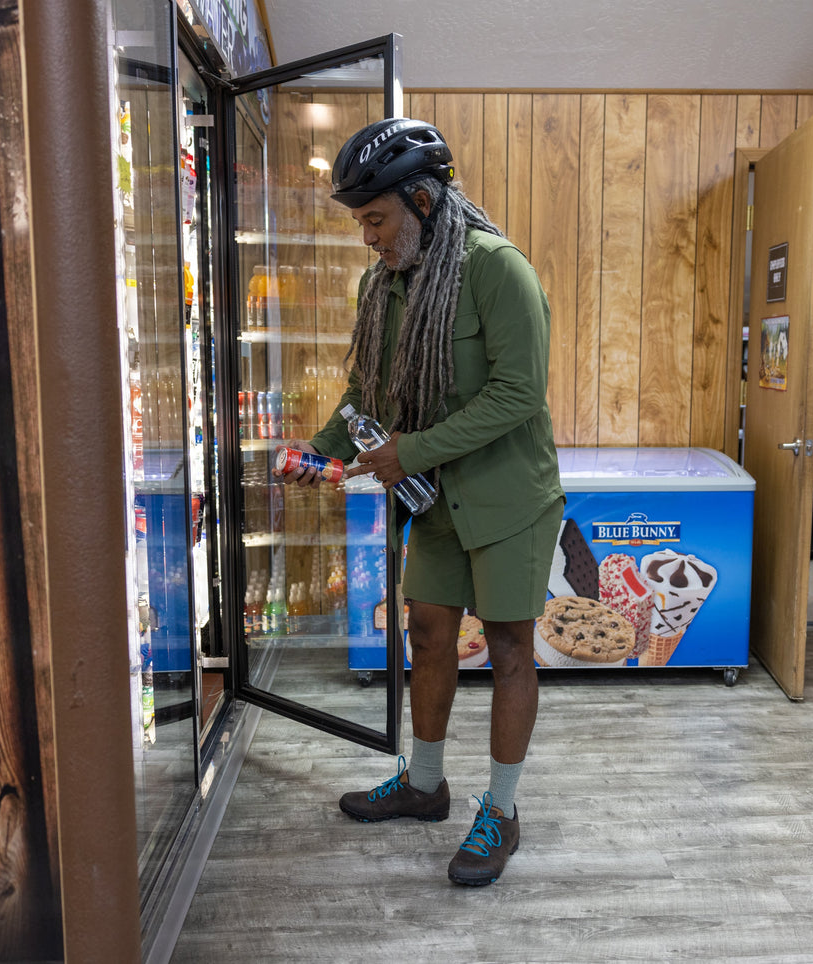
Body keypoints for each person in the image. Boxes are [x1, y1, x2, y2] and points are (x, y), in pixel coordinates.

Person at [274, 118, 563, 886]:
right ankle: (425, 785)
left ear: (425, 200)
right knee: (428, 635)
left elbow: (517, 395)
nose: (366, 237)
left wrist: (411, 450)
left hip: (508, 499)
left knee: (507, 649)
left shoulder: (497, 269)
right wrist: (321, 450)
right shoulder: (385, 286)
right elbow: (363, 390)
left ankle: (500, 810)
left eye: (375, 218)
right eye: (361, 221)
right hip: (432, 500)